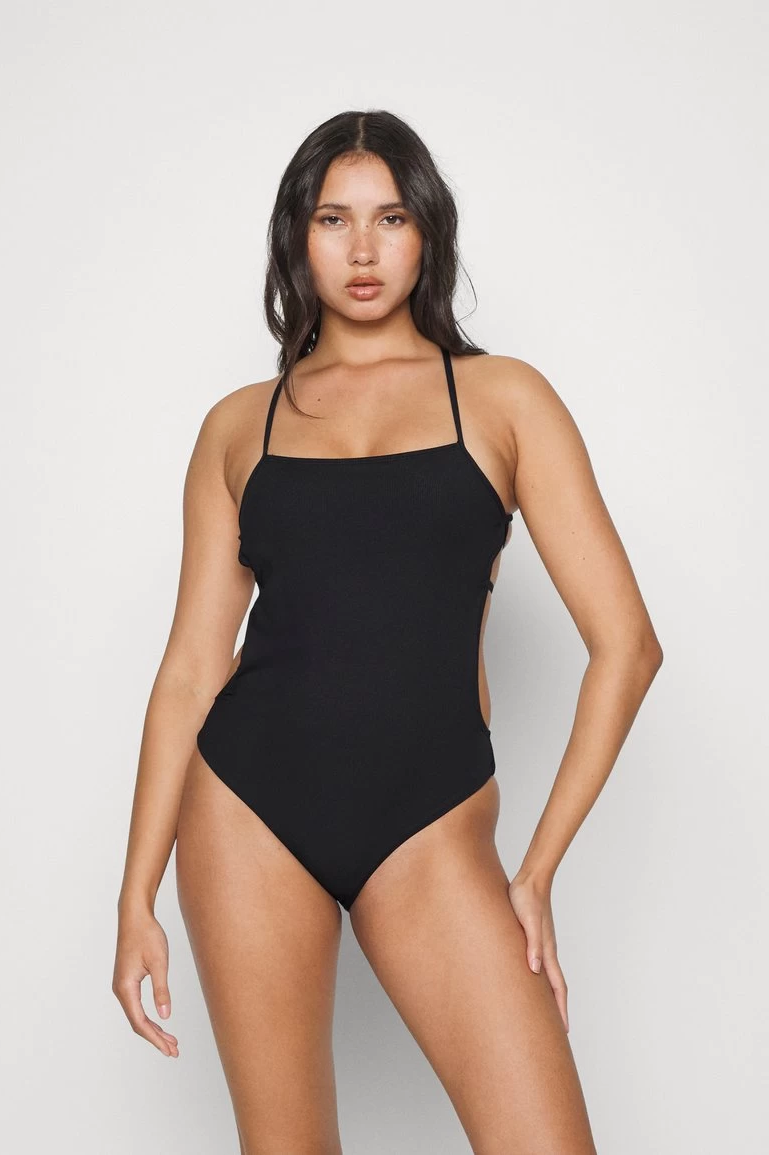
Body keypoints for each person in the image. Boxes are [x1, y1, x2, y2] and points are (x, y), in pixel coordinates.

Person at [113, 109, 662, 1154]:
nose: (361, 249)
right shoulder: (239, 424)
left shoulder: (501, 398)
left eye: (390, 218)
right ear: (297, 235)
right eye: (333, 219)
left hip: (430, 820)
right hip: (247, 810)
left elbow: (627, 646)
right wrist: (135, 895)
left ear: (427, 233)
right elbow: (189, 671)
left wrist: (536, 870)